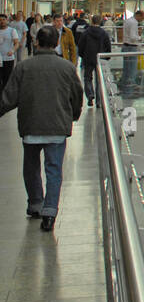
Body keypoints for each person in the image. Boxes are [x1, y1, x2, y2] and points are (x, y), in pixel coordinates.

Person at [0, 24, 83, 230]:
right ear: (56, 43)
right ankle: (50, 212)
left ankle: (36, 203)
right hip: (57, 127)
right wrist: (72, 116)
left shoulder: (24, 67)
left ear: (36, 42)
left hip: (31, 126)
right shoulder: (67, 68)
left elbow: (9, 98)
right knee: (54, 170)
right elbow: (77, 95)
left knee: (31, 167)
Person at [121, 9, 144, 96]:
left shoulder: (128, 21)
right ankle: (129, 92)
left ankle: (125, 91)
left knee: (126, 70)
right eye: (142, 18)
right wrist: (139, 38)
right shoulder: (134, 23)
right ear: (138, 15)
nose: (142, 20)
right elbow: (132, 36)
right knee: (131, 71)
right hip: (131, 48)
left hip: (125, 47)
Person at [0, 13, 17, 94]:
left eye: (3, 20)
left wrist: (12, 50)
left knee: (7, 78)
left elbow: (16, 43)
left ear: (7, 21)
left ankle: (5, 97)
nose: (2, 22)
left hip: (8, 59)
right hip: (0, 59)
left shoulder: (12, 31)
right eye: (0, 20)